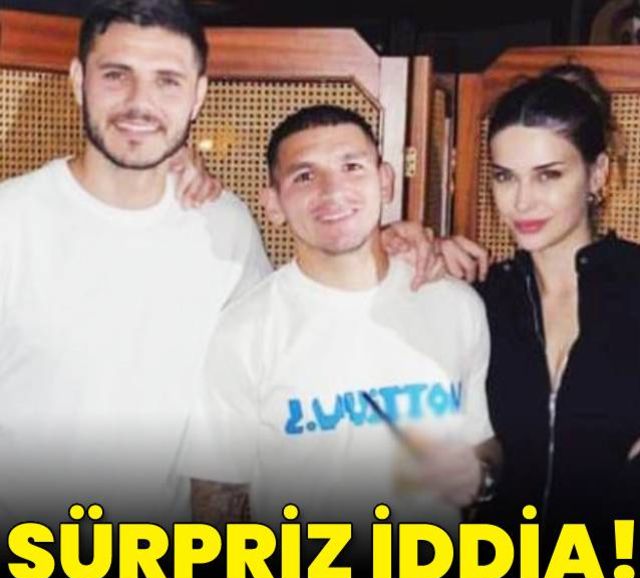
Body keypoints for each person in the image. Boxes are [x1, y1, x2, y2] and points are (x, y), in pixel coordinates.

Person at [0, 0, 437, 530]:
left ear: (198, 96)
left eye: (167, 81)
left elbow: (298, 333)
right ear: (78, 81)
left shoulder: (224, 225)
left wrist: (387, 247)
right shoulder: (12, 222)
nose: (140, 102)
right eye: (116, 75)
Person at [180, 105, 495, 551]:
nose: (333, 190)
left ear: (385, 181)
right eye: (305, 176)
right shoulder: (244, 331)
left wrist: (480, 477)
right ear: (273, 204)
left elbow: (482, 443)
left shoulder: (456, 306)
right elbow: (217, 497)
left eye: (352, 167)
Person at [436, 64, 640, 551]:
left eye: (548, 175)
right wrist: (402, 243)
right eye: (505, 177)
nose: (522, 202)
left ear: (597, 173)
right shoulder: (480, 300)